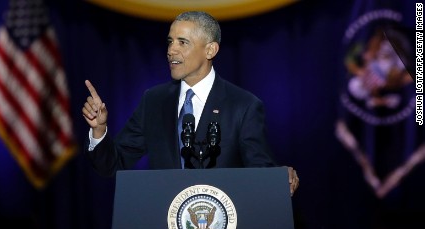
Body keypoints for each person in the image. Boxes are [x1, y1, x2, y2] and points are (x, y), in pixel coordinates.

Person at [82, 11, 299, 195]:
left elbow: (259, 170)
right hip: (164, 228)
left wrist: (278, 177)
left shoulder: (244, 105)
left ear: (210, 50)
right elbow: (112, 164)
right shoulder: (154, 101)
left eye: (182, 42)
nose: (171, 50)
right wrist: (99, 131)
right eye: (170, 41)